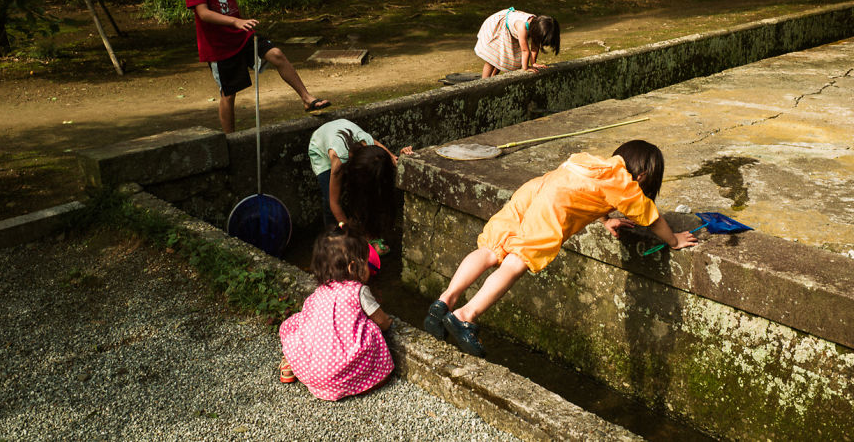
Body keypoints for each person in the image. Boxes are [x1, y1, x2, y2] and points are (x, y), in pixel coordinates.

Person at [423, 140, 698, 357]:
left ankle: (445, 301)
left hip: (532, 192)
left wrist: (605, 219)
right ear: (642, 175)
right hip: (550, 209)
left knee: (491, 250)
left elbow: (580, 189)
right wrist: (673, 240)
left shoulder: (592, 162)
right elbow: (652, 218)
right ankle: (465, 316)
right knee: (516, 261)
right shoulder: (626, 184)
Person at [183, 0, 330, 133]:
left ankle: (307, 99)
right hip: (219, 45)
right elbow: (203, 14)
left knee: (277, 54)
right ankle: (231, 138)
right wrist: (235, 21)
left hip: (241, 36)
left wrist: (240, 22)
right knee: (229, 93)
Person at [278, 225, 394, 400]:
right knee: (372, 330)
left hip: (309, 370)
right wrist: (388, 322)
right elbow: (382, 322)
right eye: (365, 261)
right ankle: (371, 378)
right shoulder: (359, 291)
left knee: (300, 323)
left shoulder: (323, 289)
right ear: (352, 266)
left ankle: (290, 363)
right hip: (333, 374)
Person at [308, 118, 413, 252]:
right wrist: (354, 238)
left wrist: (398, 157)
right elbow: (334, 203)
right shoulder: (338, 161)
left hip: (341, 130)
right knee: (329, 199)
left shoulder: (368, 144)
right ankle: (333, 241)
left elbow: (380, 147)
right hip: (319, 149)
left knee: (367, 194)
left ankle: (367, 233)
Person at [474, 7, 560, 78]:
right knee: (492, 59)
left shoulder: (537, 24)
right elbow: (525, 51)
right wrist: (526, 68)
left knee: (502, 57)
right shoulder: (522, 27)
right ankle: (484, 81)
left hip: (510, 31)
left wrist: (533, 63)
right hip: (499, 27)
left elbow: (535, 45)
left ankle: (493, 78)